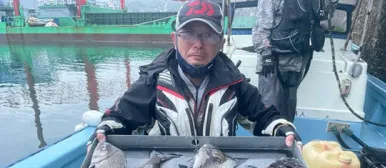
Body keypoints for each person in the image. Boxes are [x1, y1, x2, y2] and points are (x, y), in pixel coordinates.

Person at [88, 0, 301, 148]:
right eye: (189, 34)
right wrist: (105, 131)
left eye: (208, 35)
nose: (198, 44)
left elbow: (265, 118)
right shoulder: (151, 82)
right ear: (175, 38)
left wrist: (284, 130)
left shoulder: (235, 84)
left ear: (220, 42)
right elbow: (119, 119)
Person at [252, 0, 326, 122]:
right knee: (270, 113)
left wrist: (266, 55)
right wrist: (267, 55)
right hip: (276, 64)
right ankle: (271, 138)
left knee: (282, 114)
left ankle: (284, 138)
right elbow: (262, 28)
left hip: (289, 64)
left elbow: (262, 27)